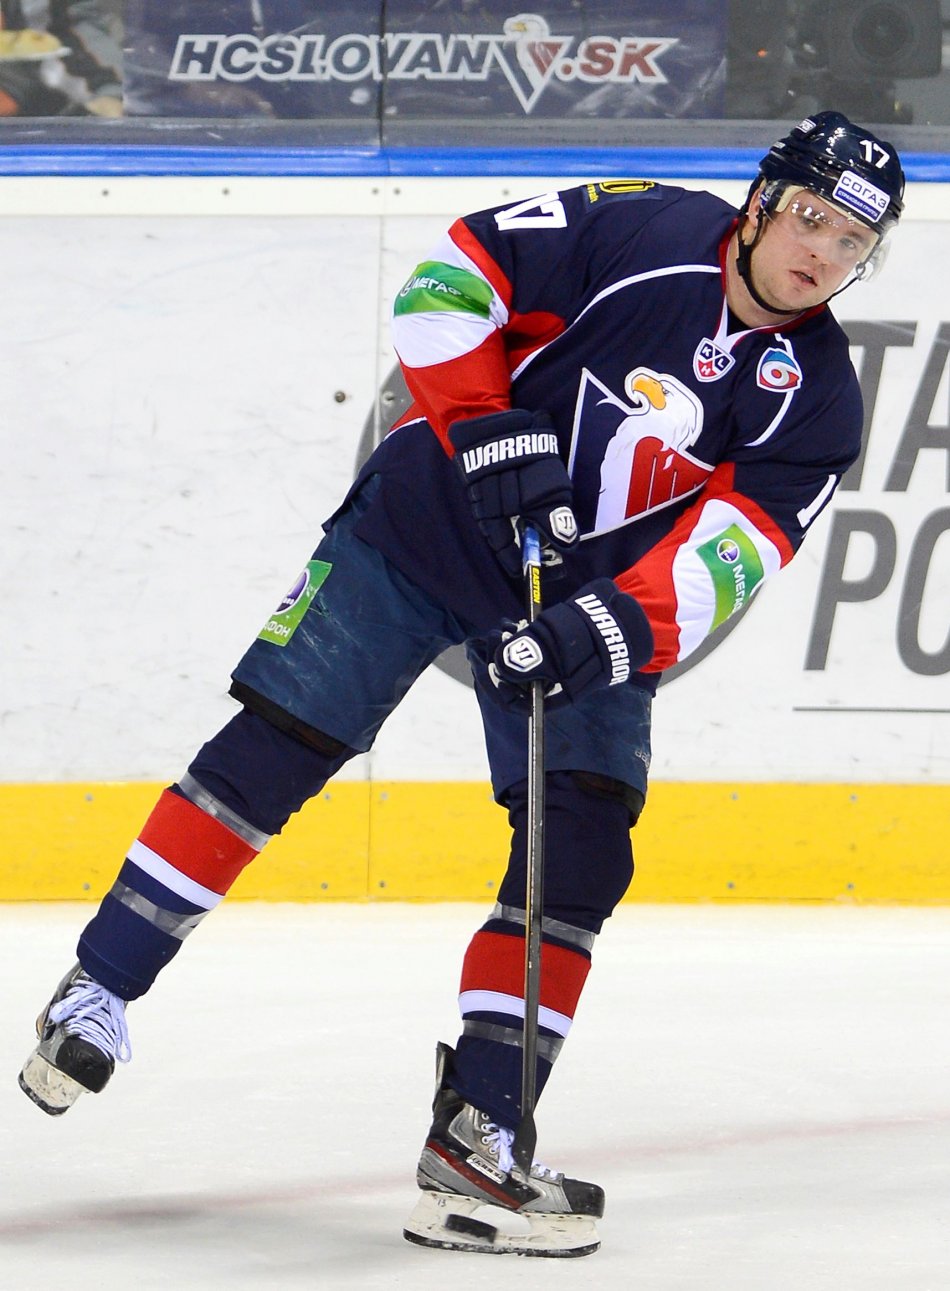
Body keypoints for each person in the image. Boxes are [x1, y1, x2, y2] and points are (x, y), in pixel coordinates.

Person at [19, 111, 904, 1257]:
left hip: (575, 600)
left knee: (579, 844)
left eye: (849, 242)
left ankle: (477, 1140)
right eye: (810, 218)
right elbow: (451, 276)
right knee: (275, 748)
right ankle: (96, 988)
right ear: (761, 200)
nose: (820, 253)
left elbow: (728, 553)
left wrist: (596, 629)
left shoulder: (817, 397)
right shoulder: (637, 230)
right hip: (421, 530)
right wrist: (484, 429)